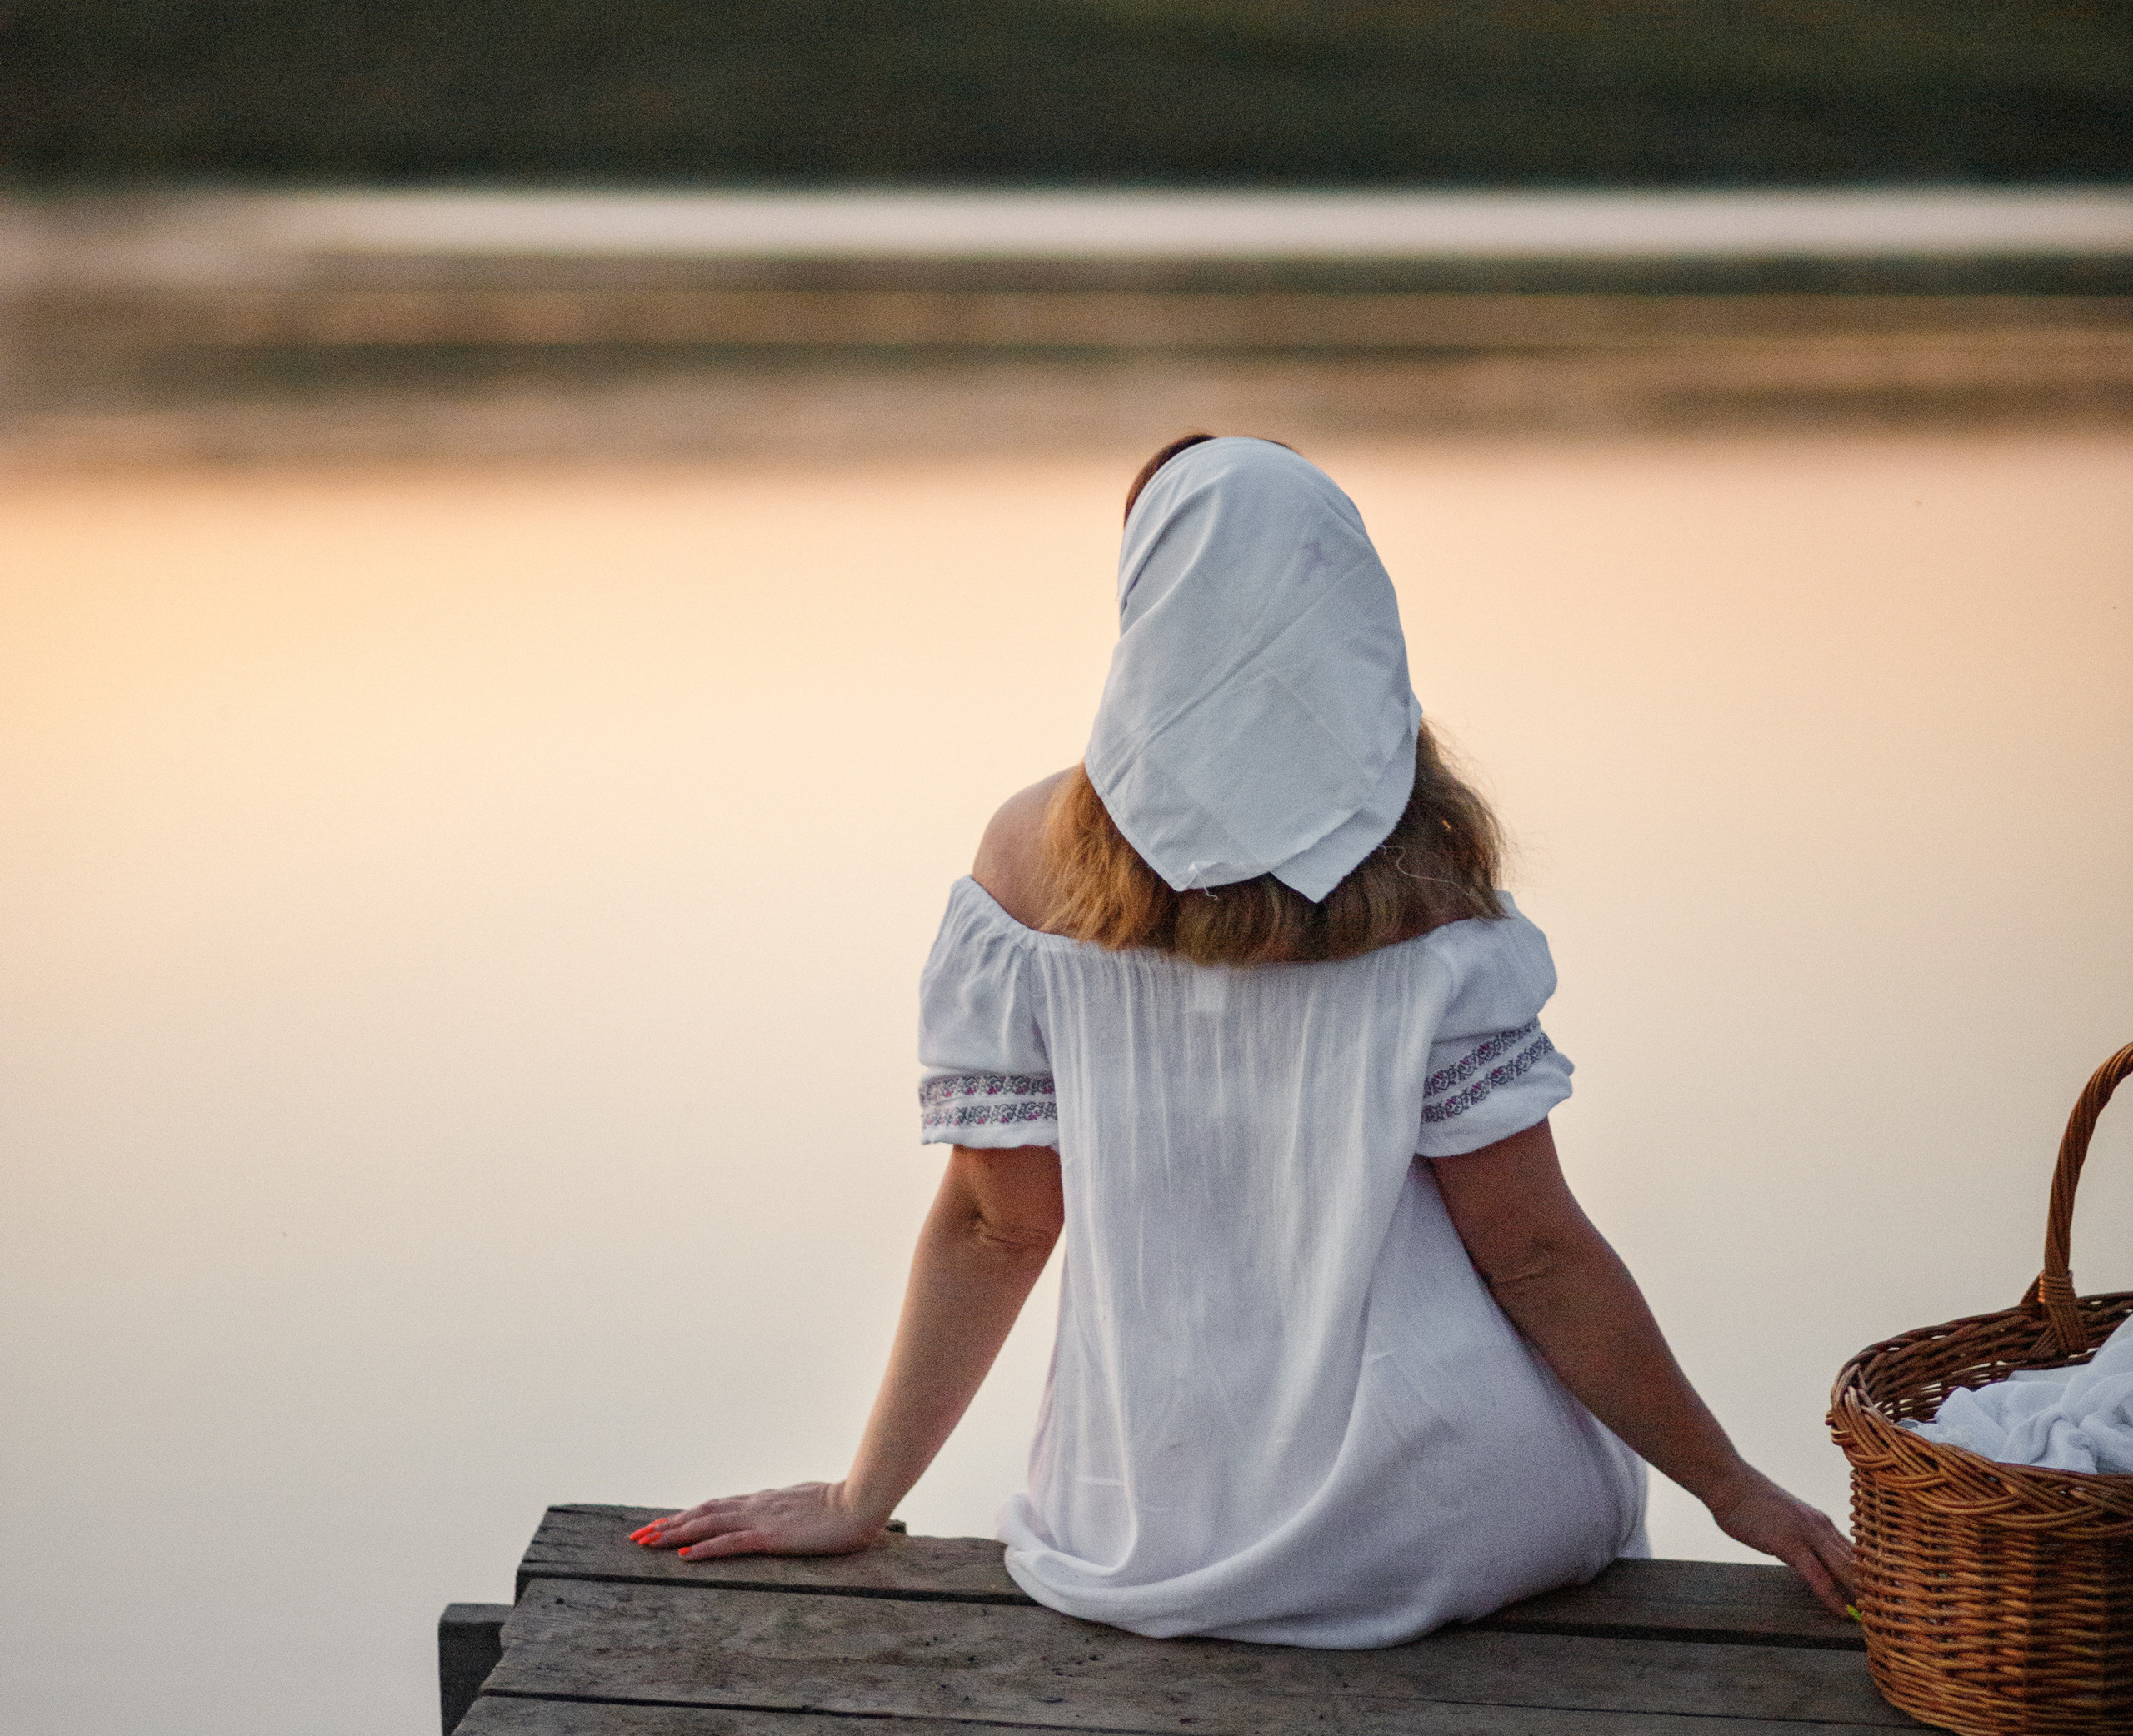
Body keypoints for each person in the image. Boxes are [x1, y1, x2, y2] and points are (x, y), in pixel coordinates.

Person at [635, 433, 1856, 1634]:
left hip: (1147, 1529)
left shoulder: (1025, 863)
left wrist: (865, 1496)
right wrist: (1732, 1489)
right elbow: (1535, 1255)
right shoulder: (1426, 890)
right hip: (1447, 1521)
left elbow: (995, 1223)